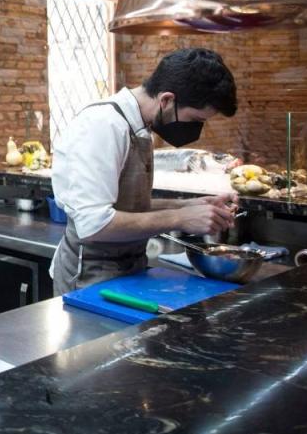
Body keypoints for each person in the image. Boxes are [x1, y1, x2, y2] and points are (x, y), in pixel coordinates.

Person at [50, 48, 239, 295]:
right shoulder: (103, 126)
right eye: (195, 119)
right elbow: (95, 224)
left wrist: (189, 206)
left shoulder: (139, 125)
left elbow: (126, 205)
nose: (195, 129)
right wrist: (180, 219)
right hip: (89, 277)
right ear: (167, 100)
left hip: (127, 270)